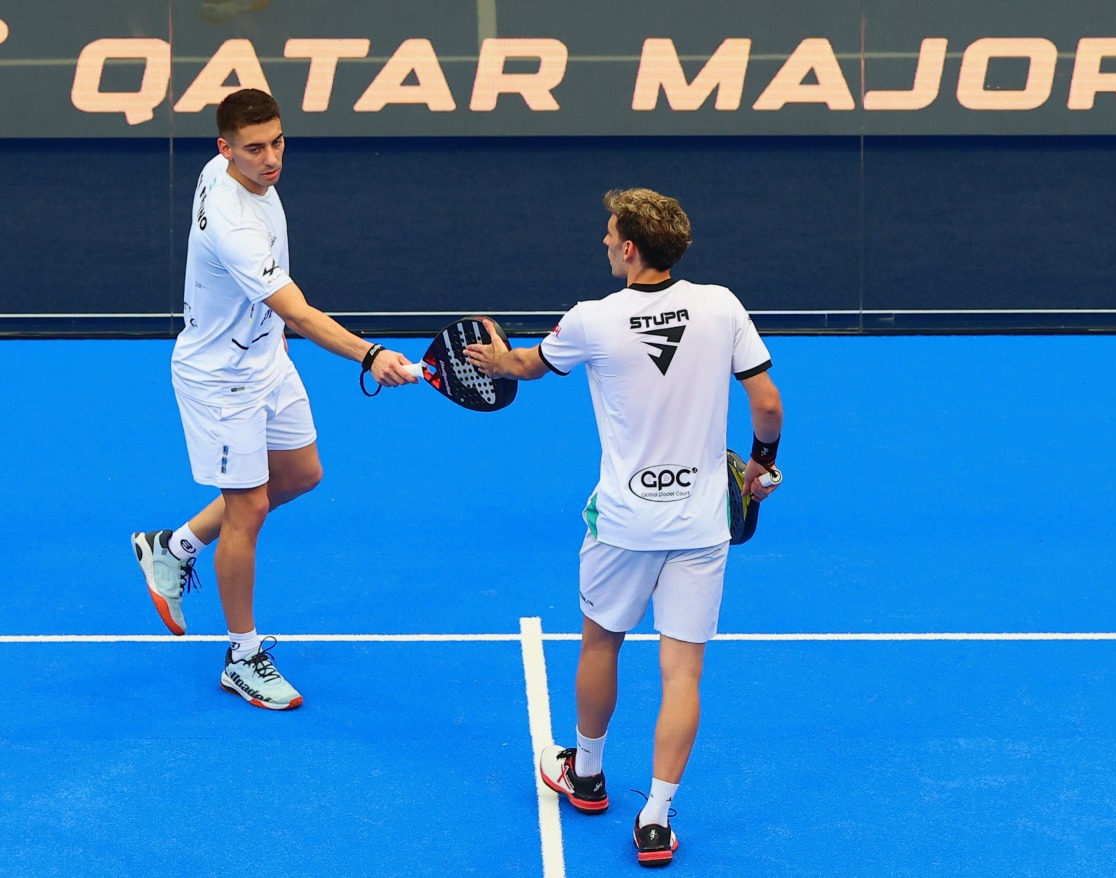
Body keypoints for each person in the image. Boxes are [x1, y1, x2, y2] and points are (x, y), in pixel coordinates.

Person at [465, 188, 784, 868]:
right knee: (683, 674)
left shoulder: (592, 320)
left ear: (631, 248)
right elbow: (767, 403)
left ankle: (586, 773)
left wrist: (494, 361)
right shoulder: (723, 305)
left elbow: (525, 366)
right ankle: (658, 817)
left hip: (623, 524)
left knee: (601, 642)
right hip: (701, 524)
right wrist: (760, 467)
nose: (605, 243)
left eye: (610, 234)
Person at [131, 87, 417, 710]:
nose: (270, 158)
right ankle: (242, 655)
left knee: (302, 473)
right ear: (225, 149)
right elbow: (302, 315)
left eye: (277, 142)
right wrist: (371, 354)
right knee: (249, 509)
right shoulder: (233, 224)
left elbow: (286, 322)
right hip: (222, 379)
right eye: (254, 148)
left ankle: (171, 546)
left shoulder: (222, 170)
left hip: (266, 358)